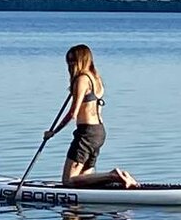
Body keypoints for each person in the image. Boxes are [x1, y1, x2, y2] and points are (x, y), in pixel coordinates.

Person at [43, 44, 139, 188]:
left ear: (82, 60)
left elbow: (73, 113)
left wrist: (53, 132)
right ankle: (117, 181)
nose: (70, 65)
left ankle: (113, 176)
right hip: (98, 132)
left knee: (68, 181)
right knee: (85, 179)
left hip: (86, 133)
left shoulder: (81, 80)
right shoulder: (96, 78)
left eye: (73, 61)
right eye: (68, 61)